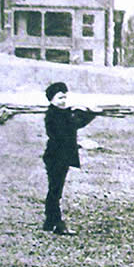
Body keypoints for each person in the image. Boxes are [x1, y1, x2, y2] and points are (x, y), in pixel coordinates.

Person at [42, 82, 97, 235]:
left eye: (65, 97)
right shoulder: (54, 116)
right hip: (56, 157)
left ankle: (49, 221)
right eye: (60, 98)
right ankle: (57, 223)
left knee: (54, 189)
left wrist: (86, 113)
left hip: (59, 156)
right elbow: (70, 128)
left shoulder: (60, 113)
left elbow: (75, 123)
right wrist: (90, 114)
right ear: (51, 99)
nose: (63, 101)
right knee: (55, 190)